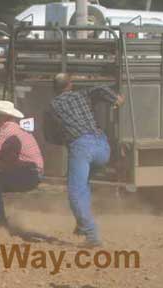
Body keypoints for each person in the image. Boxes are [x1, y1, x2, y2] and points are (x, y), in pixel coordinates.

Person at [50, 73, 124, 247]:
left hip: (82, 147)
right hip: (102, 146)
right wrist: (116, 98)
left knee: (76, 191)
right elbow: (99, 88)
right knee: (83, 186)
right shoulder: (81, 94)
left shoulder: (53, 105)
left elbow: (52, 133)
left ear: (54, 88)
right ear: (70, 84)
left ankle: (91, 235)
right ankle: (82, 224)